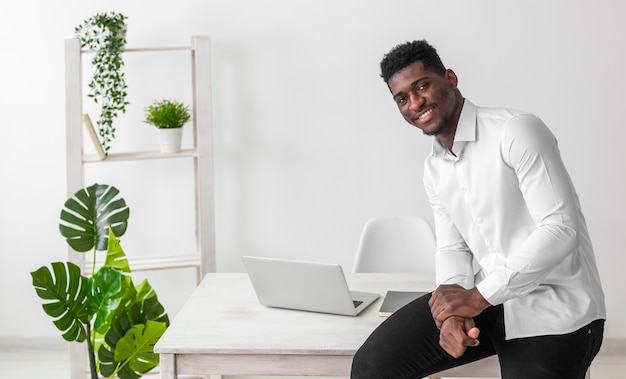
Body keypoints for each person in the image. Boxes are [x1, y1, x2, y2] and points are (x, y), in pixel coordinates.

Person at [350, 40, 606, 379]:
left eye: (422, 85)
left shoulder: (516, 131)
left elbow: (561, 229)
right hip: (486, 299)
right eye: (402, 98)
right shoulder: (434, 168)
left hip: (554, 307)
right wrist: (451, 312)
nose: (415, 103)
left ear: (451, 79)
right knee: (371, 365)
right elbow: (453, 247)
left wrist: (478, 297)